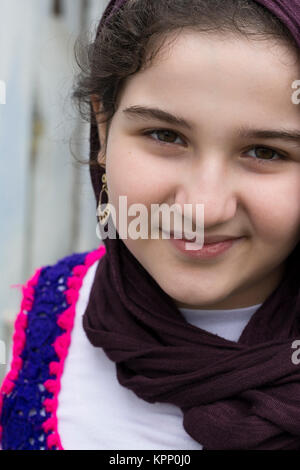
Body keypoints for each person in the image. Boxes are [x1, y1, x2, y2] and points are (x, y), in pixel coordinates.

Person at [1, 0, 300, 451]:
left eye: (265, 151)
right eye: (166, 136)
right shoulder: (53, 307)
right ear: (103, 127)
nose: (203, 209)